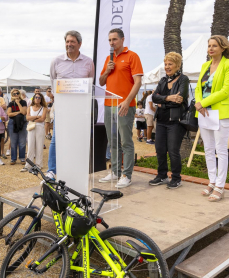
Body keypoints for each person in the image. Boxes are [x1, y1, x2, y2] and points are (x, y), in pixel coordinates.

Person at [195, 35, 229, 202]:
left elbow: (225, 91)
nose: (211, 48)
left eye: (214, 46)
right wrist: (199, 104)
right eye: (209, 45)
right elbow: (198, 87)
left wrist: (203, 102)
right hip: (204, 112)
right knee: (208, 149)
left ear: (223, 48)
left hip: (220, 113)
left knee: (221, 150)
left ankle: (220, 185)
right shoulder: (205, 65)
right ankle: (212, 181)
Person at [99, 29, 143, 188]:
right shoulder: (107, 59)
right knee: (112, 142)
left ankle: (127, 175)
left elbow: (138, 82)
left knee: (125, 141)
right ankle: (115, 171)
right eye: (110, 40)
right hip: (108, 105)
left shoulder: (132, 56)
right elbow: (102, 81)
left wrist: (127, 101)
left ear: (122, 40)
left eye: (114, 39)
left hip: (125, 106)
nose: (112, 43)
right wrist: (107, 70)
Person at [48, 30, 95, 179]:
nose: (69, 44)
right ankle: (52, 170)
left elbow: (90, 84)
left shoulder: (88, 62)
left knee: (79, 137)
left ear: (79, 44)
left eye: (72, 42)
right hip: (62, 108)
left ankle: (77, 166)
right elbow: (53, 82)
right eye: (67, 42)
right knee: (56, 139)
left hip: (81, 110)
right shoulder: (56, 61)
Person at [148, 52, 189, 189]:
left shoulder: (183, 79)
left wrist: (162, 101)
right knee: (160, 149)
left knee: (173, 151)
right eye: (165, 64)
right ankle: (162, 175)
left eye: (170, 64)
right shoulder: (163, 80)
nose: (167, 66)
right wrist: (168, 98)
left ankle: (176, 178)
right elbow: (154, 97)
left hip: (175, 122)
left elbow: (179, 100)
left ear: (177, 65)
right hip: (161, 120)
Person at [21, 93, 47, 172]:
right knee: (30, 146)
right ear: (34, 98)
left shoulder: (44, 108)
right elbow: (27, 118)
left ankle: (39, 164)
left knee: (39, 146)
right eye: (36, 97)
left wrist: (32, 119)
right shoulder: (30, 107)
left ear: (41, 99)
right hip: (31, 127)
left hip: (40, 127)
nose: (37, 99)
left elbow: (42, 119)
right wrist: (36, 117)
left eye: (39, 97)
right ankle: (28, 165)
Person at [7, 89, 28, 165]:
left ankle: (22, 158)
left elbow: (24, 112)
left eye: (17, 93)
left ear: (20, 94)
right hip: (12, 122)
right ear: (12, 95)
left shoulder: (23, 102)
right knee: (13, 141)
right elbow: (9, 114)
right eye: (14, 94)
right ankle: (13, 158)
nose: (16, 95)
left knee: (22, 141)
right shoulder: (10, 103)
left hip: (22, 122)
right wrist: (18, 112)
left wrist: (18, 104)